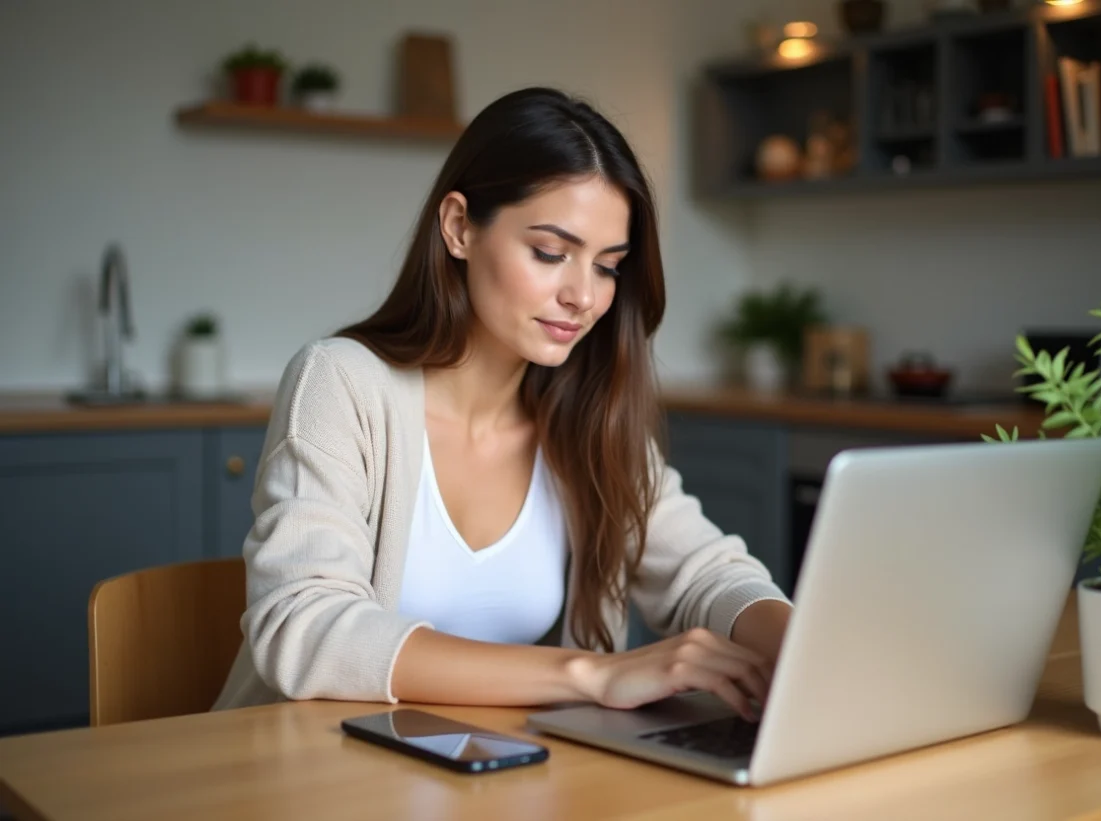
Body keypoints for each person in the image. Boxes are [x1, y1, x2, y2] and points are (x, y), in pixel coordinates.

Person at [212, 87, 793, 722]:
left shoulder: (587, 415)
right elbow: (304, 627)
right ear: (459, 227)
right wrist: (591, 673)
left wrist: (800, 649)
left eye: (607, 266)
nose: (583, 296)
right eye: (550, 253)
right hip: (315, 780)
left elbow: (707, 574)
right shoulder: (342, 383)